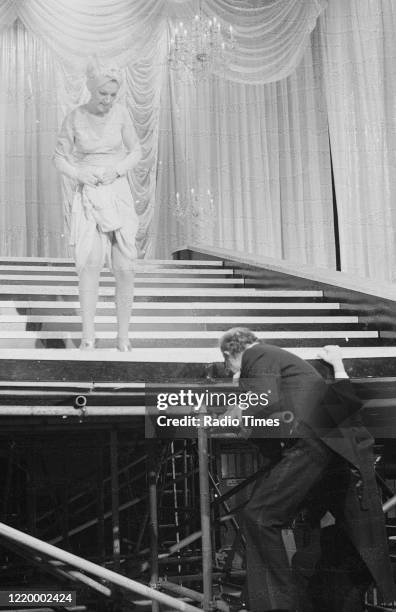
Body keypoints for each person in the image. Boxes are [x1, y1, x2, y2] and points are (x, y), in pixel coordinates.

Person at [219, 327, 395, 612]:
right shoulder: (301, 374)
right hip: (338, 452)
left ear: (230, 353)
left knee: (260, 516)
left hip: (313, 443)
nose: (232, 374)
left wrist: (233, 411)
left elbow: (262, 394)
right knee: (350, 536)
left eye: (229, 367)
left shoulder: (257, 354)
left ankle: (275, 606)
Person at [53, 58, 142, 350]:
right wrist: (79, 173)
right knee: (90, 265)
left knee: (125, 267)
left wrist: (117, 170)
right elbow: (59, 157)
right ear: (92, 89)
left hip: (117, 190)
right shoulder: (75, 116)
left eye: (113, 94)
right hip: (89, 192)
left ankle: (123, 337)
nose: (108, 100)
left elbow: (136, 151)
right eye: (103, 93)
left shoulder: (121, 114)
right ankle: (88, 337)